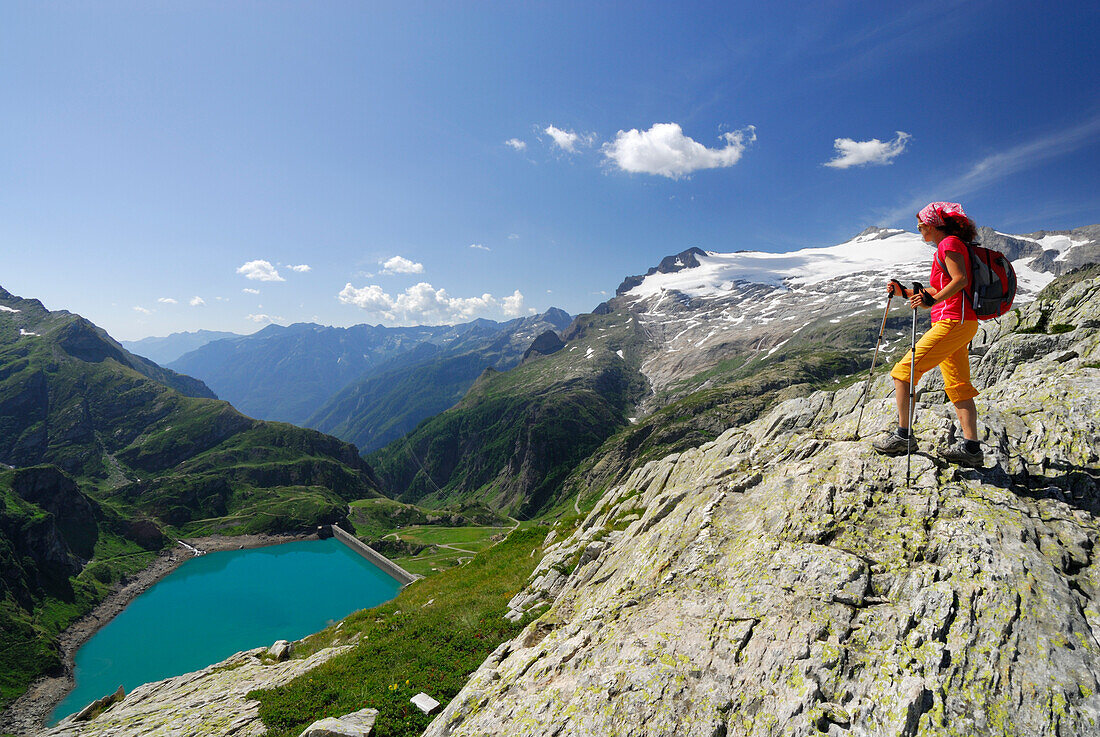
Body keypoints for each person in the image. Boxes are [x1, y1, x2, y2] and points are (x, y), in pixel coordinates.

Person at [872, 201, 984, 467]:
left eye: (921, 224)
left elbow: (960, 280)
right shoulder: (952, 245)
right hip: (959, 322)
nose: (919, 228)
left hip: (952, 321)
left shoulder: (949, 244)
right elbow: (937, 291)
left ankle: (904, 436)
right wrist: (905, 293)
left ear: (934, 224)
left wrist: (932, 302)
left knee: (903, 372)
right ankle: (971, 449)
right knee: (958, 385)